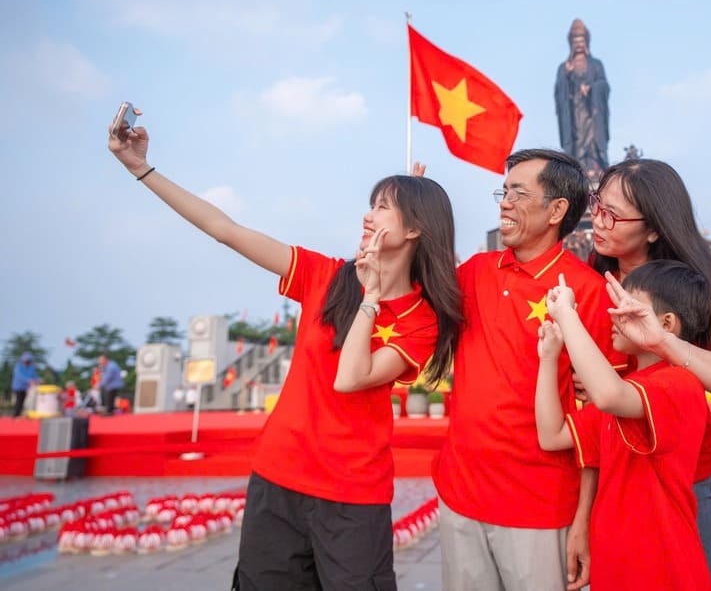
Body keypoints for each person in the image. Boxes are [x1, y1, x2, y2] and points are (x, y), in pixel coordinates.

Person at [108, 111, 461, 590]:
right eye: (371, 204)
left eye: (382, 207)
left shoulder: (420, 319)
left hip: (352, 494)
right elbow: (225, 230)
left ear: (416, 229)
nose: (367, 215)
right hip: (278, 478)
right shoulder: (324, 276)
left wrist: (373, 298)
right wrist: (140, 169)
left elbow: (350, 377)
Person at [433, 148, 625, 591]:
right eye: (504, 191)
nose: (504, 202)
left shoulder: (587, 291)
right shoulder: (476, 273)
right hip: (461, 498)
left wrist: (583, 519)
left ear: (557, 209)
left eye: (518, 193)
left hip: (539, 509)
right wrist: (415, 202)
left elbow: (600, 418)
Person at [587, 158, 711, 580]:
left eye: (614, 214)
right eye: (597, 205)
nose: (598, 222)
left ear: (655, 228)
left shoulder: (690, 285)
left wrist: (665, 344)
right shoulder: (590, 273)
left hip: (677, 478)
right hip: (608, 471)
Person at [536, 262, 711, 590]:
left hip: (663, 566)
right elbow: (552, 435)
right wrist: (549, 359)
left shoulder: (679, 384)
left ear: (666, 324)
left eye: (627, 308)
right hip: (615, 563)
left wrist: (567, 316)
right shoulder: (630, 387)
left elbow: (606, 395)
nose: (613, 316)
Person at [555, 19, 610, 183]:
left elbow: (604, 85)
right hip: (574, 111)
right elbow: (559, 92)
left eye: (581, 41)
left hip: (592, 111)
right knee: (577, 140)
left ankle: (595, 167)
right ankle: (578, 168)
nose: (579, 45)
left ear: (586, 42)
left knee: (593, 138)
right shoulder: (564, 67)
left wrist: (592, 88)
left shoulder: (596, 64)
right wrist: (567, 75)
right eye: (575, 42)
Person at [11, 351, 38, 417]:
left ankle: (23, 414)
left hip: (26, 388)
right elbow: (20, 376)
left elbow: (34, 376)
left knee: (25, 401)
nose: (27, 362)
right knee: (19, 400)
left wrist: (38, 380)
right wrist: (29, 380)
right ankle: (16, 415)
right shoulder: (18, 367)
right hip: (18, 387)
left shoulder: (31, 367)